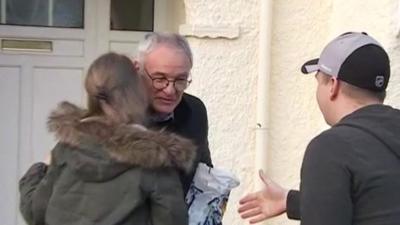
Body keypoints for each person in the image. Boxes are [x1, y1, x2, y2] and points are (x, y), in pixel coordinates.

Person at [238, 32, 400, 225]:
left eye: (318, 81)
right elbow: (379, 199)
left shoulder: (332, 148)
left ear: (333, 85)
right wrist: (291, 201)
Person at [19, 52, 196, 225]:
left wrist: (40, 168)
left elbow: (35, 213)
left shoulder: (67, 147)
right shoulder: (155, 158)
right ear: (137, 93)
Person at [134, 32, 213, 194]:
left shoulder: (195, 111)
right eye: (160, 79)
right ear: (137, 70)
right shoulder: (116, 116)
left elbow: (203, 172)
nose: (170, 90)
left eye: (180, 80)